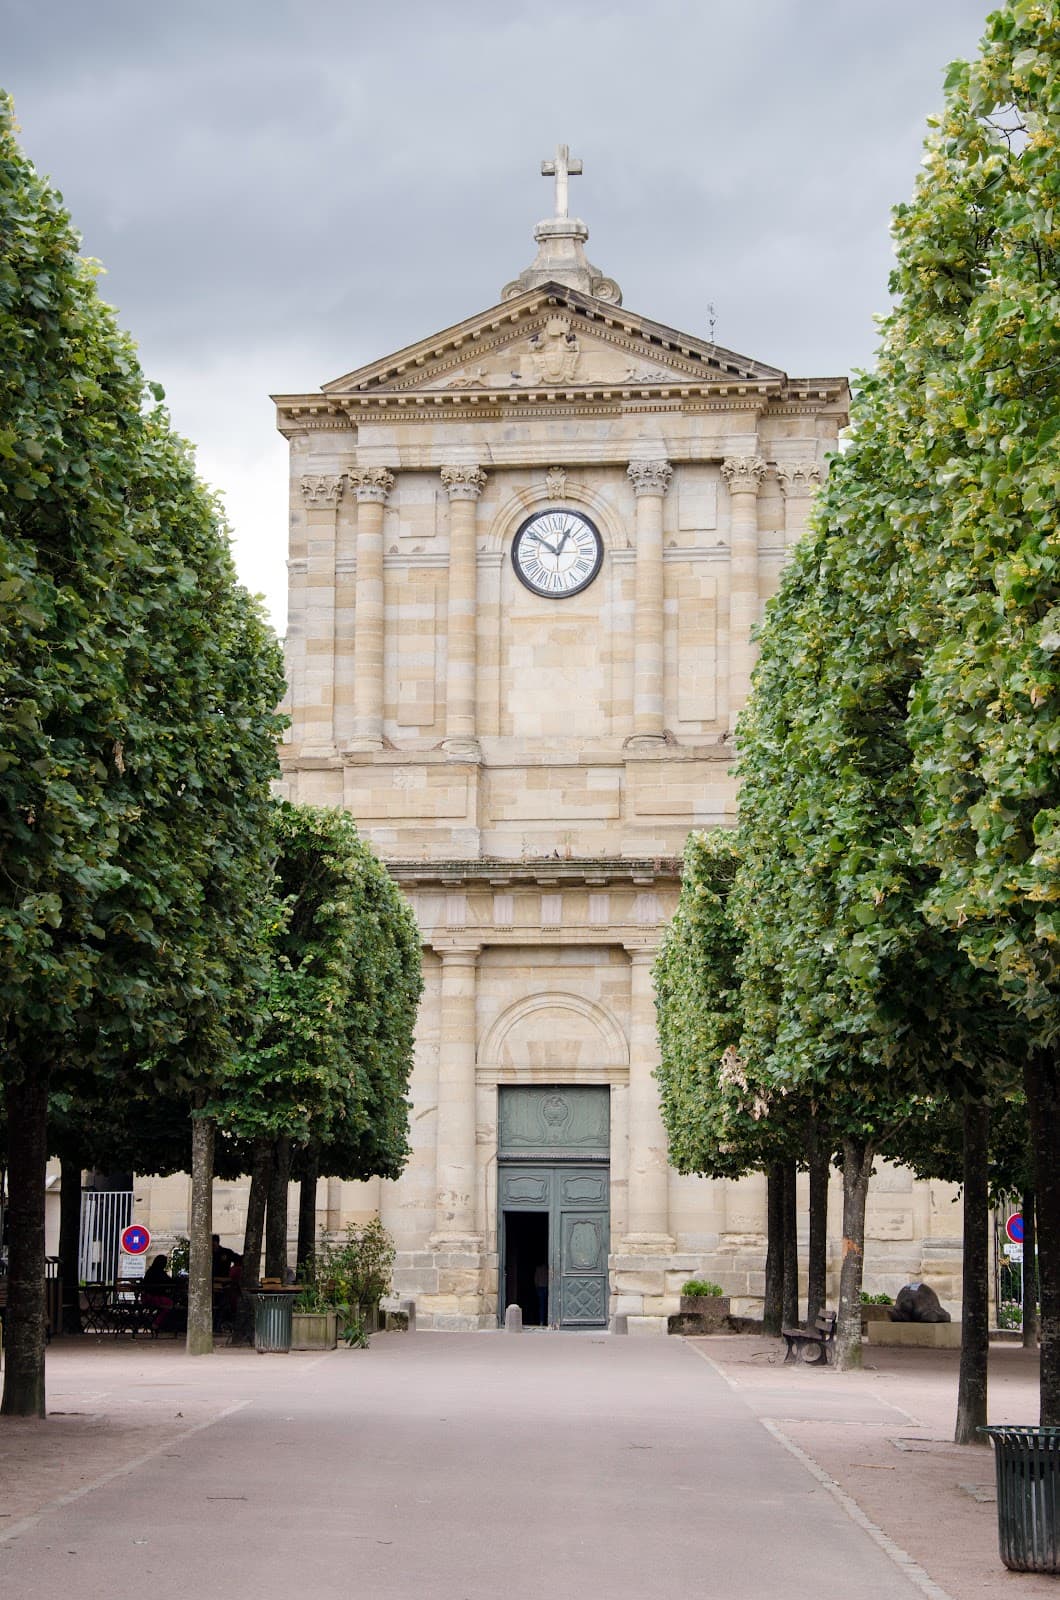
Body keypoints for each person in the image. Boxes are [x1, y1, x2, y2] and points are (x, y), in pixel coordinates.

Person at [142, 1253, 175, 1332]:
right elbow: (168, 1281)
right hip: (152, 1297)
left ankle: (158, 1322)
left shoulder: (152, 1271)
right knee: (169, 1304)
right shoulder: (157, 1272)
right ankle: (157, 1323)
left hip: (150, 1296)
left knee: (168, 1303)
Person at [534, 1262, 549, 1327]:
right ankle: (549, 1321)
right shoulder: (548, 1269)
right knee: (548, 1305)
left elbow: (536, 1280)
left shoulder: (538, 1269)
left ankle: (541, 1321)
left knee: (541, 1305)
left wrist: (537, 1287)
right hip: (546, 1287)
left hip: (540, 1287)